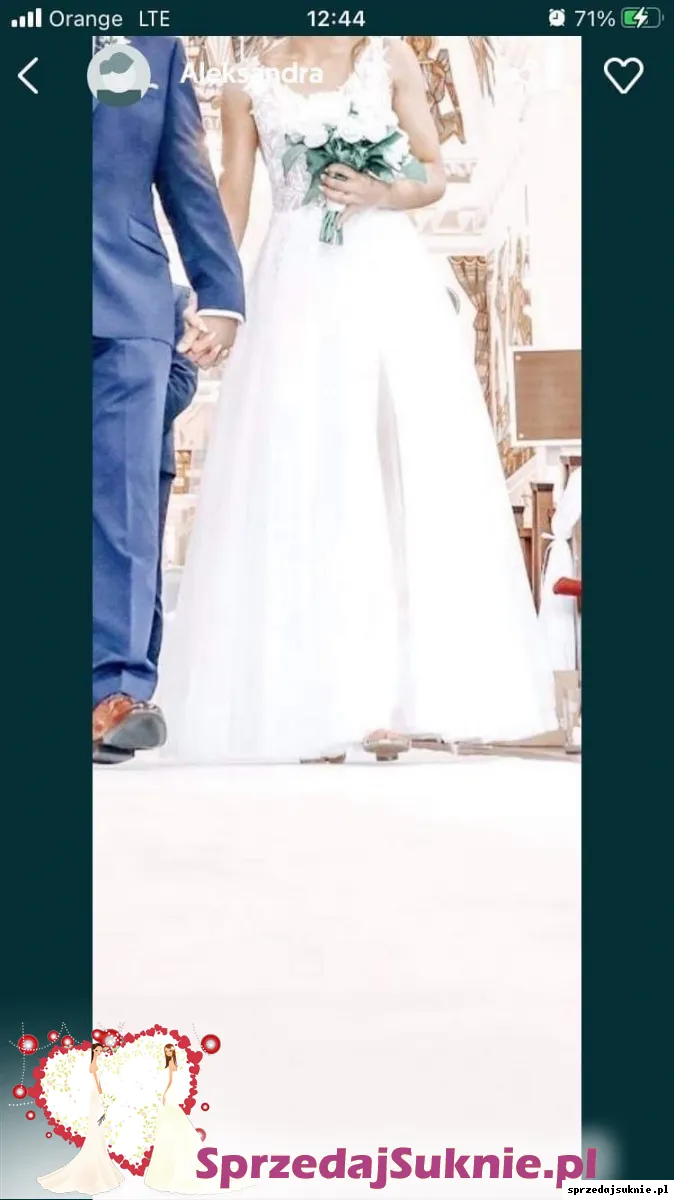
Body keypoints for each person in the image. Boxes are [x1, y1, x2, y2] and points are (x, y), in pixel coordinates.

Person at [159, 35, 557, 763]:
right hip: (295, 281)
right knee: (301, 473)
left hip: (382, 274)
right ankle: (308, 697)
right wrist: (212, 293)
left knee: (390, 472)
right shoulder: (246, 81)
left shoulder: (390, 57)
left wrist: (381, 191)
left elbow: (431, 173)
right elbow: (232, 200)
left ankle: (385, 699)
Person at [92, 36, 245, 764]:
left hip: (124, 297)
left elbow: (188, 174)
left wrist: (220, 293)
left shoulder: (153, 47)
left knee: (123, 500)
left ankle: (113, 693)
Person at [102, 285, 199, 765]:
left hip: (137, 461)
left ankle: (123, 699)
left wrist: (121, 413)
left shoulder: (170, 300)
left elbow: (182, 378)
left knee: (137, 582)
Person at [37, 1044, 123, 1195]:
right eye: (97, 1050)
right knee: (97, 1126)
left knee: (99, 1128)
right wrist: (102, 1094)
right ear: (93, 1051)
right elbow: (96, 1081)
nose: (99, 1052)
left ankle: (99, 1159)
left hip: (97, 1095)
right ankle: (95, 1162)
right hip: (96, 1095)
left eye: (100, 1050)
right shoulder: (93, 1064)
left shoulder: (97, 1063)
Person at [144, 1045, 215, 1193]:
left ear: (173, 1052)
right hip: (171, 1093)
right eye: (166, 1051)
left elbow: (170, 1081)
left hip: (170, 1093)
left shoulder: (171, 1063)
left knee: (171, 1119)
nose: (167, 1053)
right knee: (170, 1120)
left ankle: (174, 1162)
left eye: (169, 1051)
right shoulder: (171, 1063)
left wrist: (164, 1093)